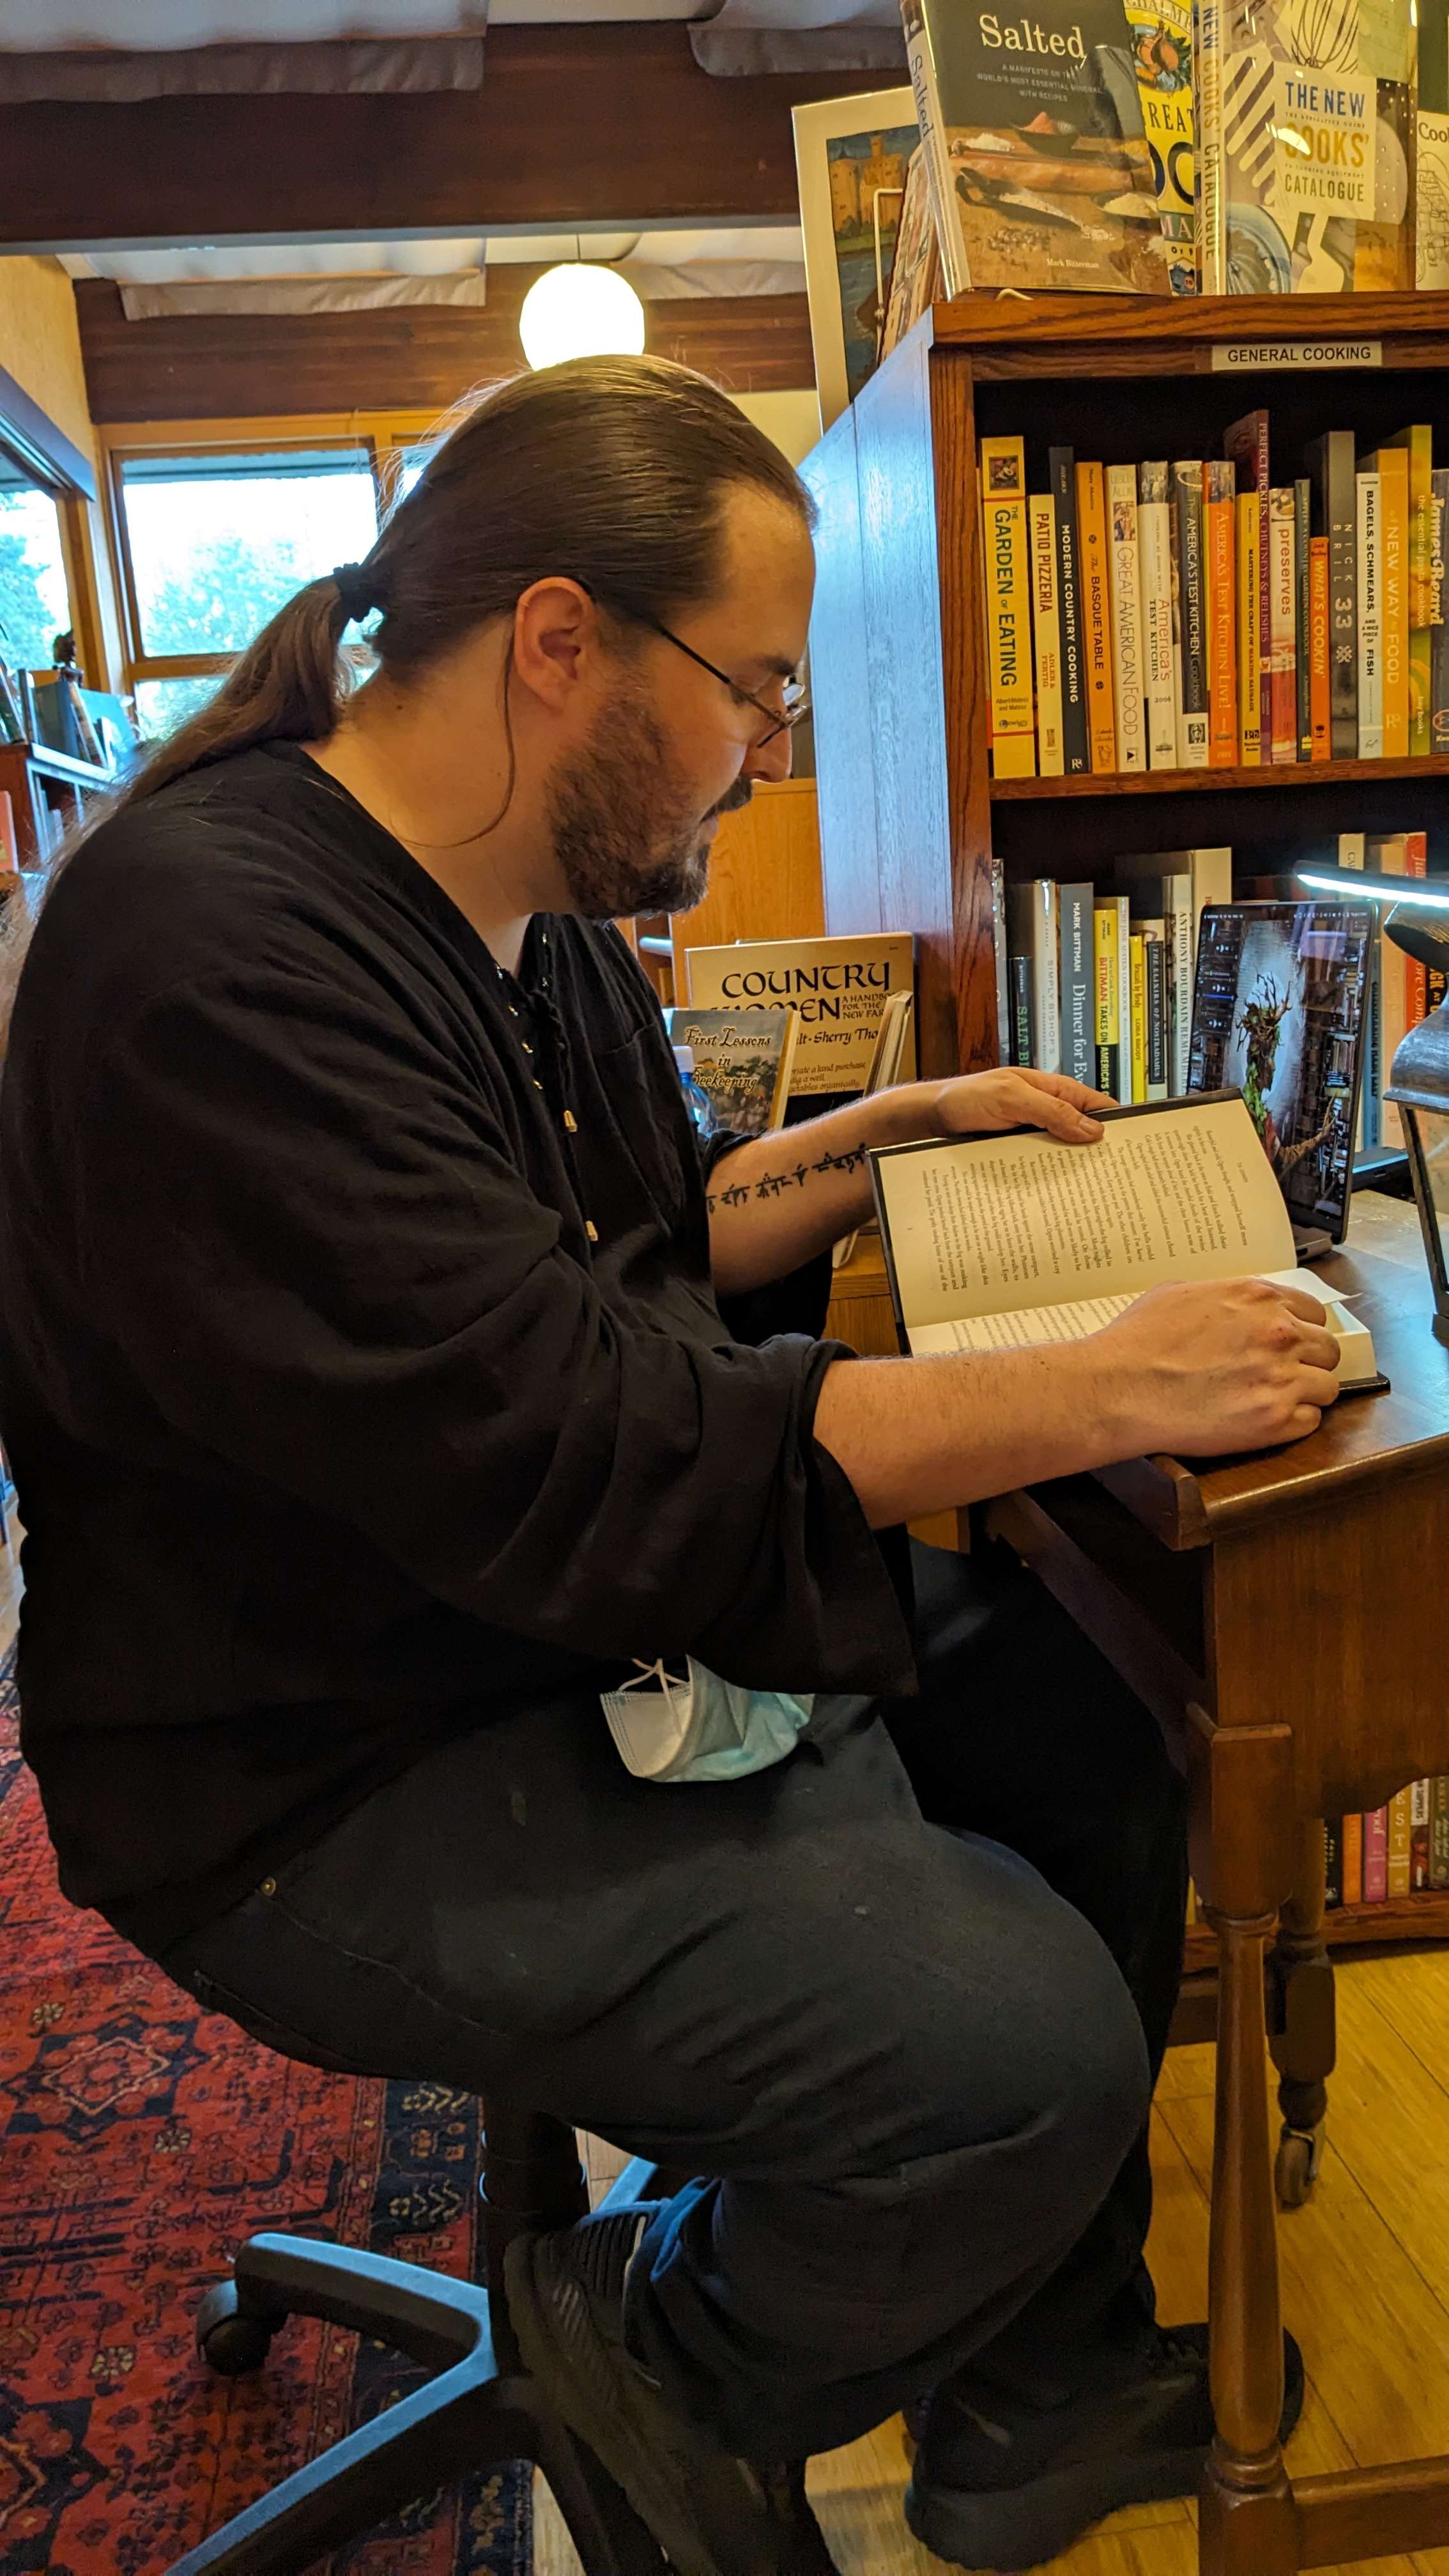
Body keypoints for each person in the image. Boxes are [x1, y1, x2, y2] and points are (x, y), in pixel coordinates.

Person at [0, 356, 1332, 2576]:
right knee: (1011, 2049)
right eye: (755, 692)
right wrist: (1107, 1378)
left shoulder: (499, 895)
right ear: (556, 645)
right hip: (316, 1766)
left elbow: (622, 1233)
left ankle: (1037, 2384)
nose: (769, 747)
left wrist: (874, 1138)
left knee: (1078, 1700)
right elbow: (591, 1423)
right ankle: (656, 2359)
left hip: (513, 1617)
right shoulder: (213, 954)